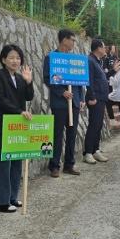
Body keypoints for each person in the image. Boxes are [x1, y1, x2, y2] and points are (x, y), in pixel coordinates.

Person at [0, 44, 34, 213]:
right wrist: (20, 111)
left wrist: (29, 82)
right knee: (2, 163)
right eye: (11, 58)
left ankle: (12, 198)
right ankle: (1, 202)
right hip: (1, 126)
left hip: (16, 127)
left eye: (18, 58)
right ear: (3, 60)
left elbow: (29, 96)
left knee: (16, 161)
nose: (15, 61)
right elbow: (0, 100)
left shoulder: (21, 78)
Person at [43, 28, 86, 177]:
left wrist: (81, 99)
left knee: (72, 134)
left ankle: (69, 164)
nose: (74, 43)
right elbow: (48, 78)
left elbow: (79, 81)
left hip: (73, 103)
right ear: (64, 40)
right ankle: (54, 165)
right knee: (57, 135)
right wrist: (62, 92)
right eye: (72, 40)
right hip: (60, 103)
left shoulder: (74, 60)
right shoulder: (51, 58)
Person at [83, 38, 110, 164]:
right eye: (104, 47)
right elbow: (89, 81)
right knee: (94, 124)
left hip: (101, 97)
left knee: (98, 124)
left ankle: (96, 150)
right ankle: (88, 152)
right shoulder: (90, 61)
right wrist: (92, 97)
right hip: (95, 98)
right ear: (98, 48)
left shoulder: (98, 61)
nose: (105, 49)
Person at [102, 44, 118, 122]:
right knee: (109, 98)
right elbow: (105, 68)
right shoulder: (107, 57)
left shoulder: (116, 58)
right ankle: (111, 116)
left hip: (116, 80)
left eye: (115, 48)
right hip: (109, 79)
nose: (114, 50)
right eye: (113, 48)